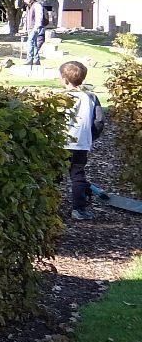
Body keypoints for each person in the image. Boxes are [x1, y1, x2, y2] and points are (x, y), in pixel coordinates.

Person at [59, 60, 99, 221]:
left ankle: (47, 208)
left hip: (59, 143)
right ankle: (78, 209)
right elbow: (98, 122)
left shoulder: (58, 98)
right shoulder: (91, 98)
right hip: (81, 144)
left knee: (54, 175)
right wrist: (91, 137)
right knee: (78, 175)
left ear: (64, 79)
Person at [21, 0, 46, 68]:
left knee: (30, 42)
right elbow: (28, 19)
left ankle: (30, 59)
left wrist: (36, 27)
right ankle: (36, 59)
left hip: (35, 28)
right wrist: (25, 28)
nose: (25, 1)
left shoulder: (37, 6)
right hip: (30, 28)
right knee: (34, 43)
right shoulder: (29, 7)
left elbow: (39, 17)